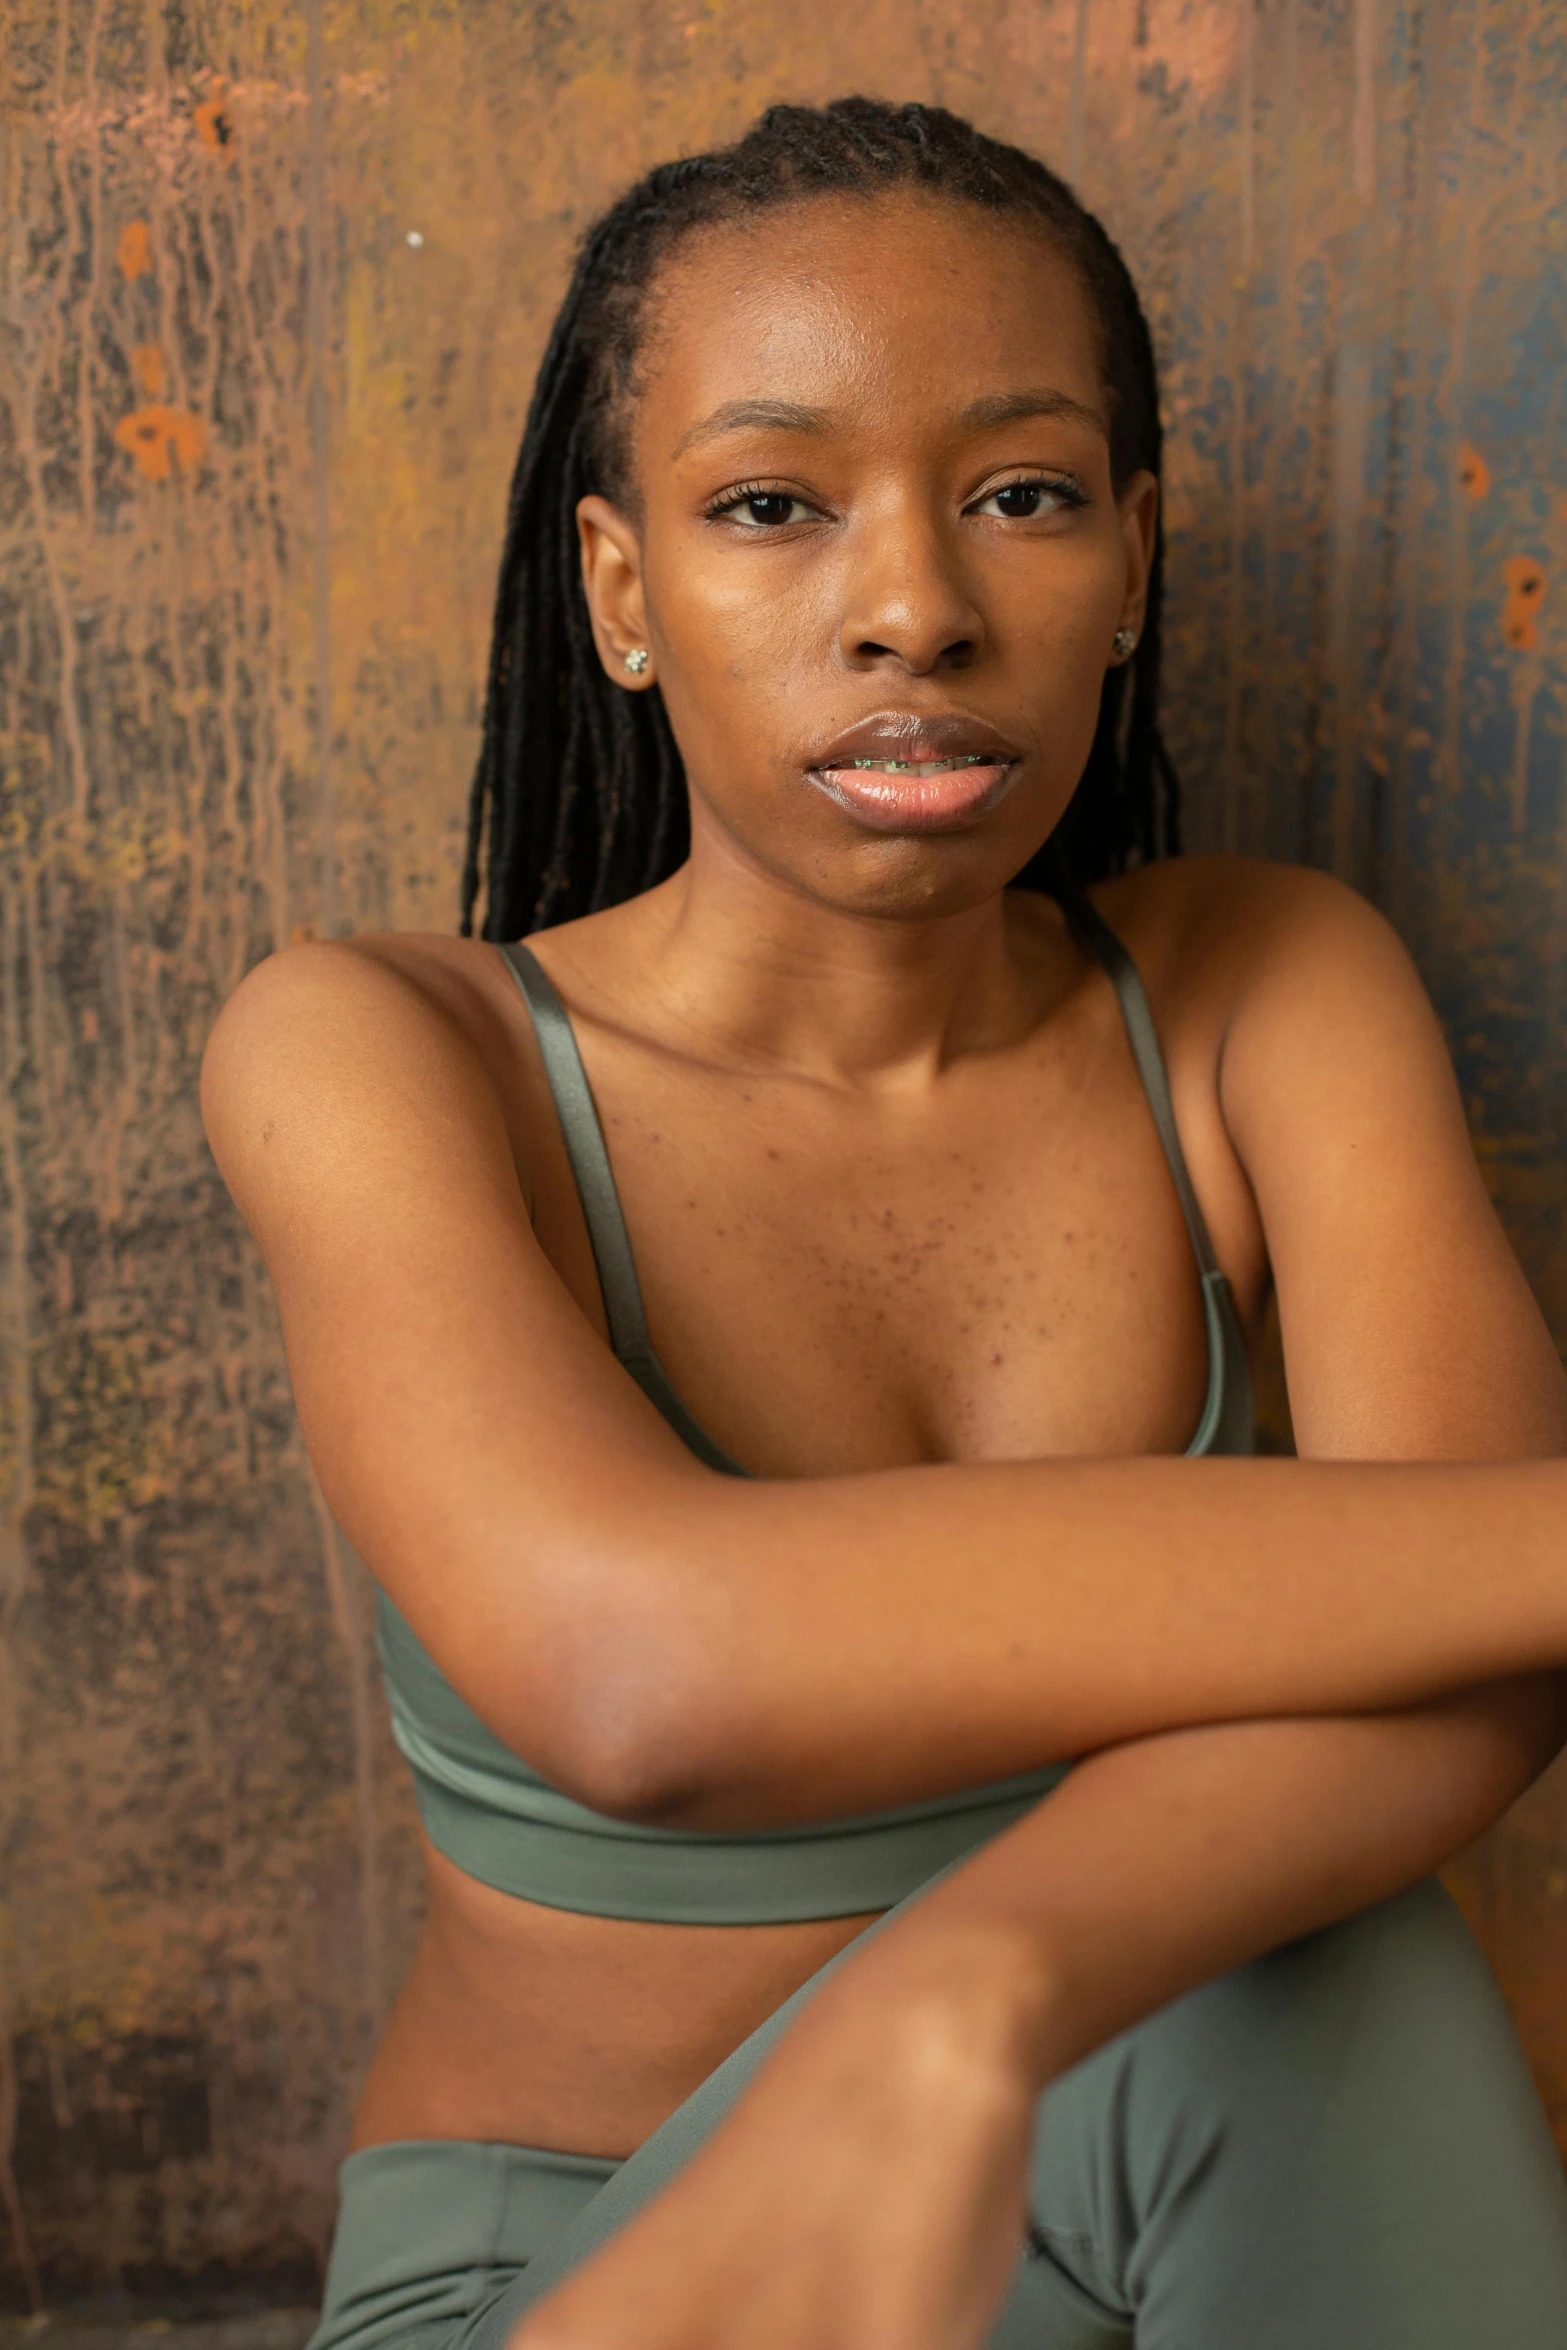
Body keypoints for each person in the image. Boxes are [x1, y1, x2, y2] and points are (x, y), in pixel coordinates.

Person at [202, 97, 1567, 2350]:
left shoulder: (1260, 988)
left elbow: (1491, 1651)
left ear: (1130, 559)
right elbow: (649, 1668)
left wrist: (958, 1988)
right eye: (770, 506)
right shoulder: (382, 1050)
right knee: (1306, 1968)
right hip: (611, 2277)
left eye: (1020, 496)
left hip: (1149, 2192)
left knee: (1309, 1973)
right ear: (624, 591)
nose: (917, 605)